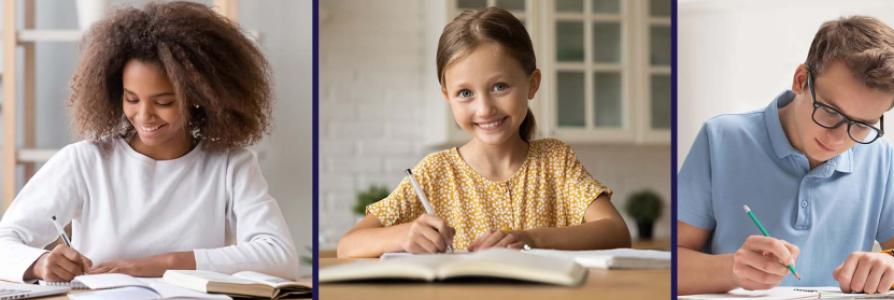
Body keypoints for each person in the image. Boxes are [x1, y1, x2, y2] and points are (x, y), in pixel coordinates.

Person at [0, 1, 297, 283]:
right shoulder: (84, 161)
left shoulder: (230, 164)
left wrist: (160, 264)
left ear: (198, 97)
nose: (144, 116)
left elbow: (279, 256)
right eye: (132, 99)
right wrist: (39, 263)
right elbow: (4, 243)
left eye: (164, 102)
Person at [337, 7, 631, 258]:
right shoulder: (434, 173)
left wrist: (531, 239)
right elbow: (347, 246)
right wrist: (402, 236)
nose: (485, 108)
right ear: (446, 96)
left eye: (500, 87)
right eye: (465, 93)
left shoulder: (556, 161)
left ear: (532, 83)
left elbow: (617, 232)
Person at [677, 16, 894, 295]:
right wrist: (732, 269)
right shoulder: (721, 138)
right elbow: (672, 263)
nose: (839, 137)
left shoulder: (878, 154)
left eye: (862, 125)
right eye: (830, 112)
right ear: (801, 80)